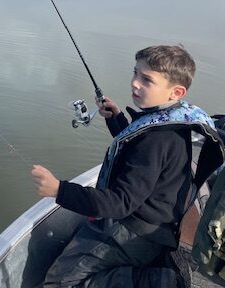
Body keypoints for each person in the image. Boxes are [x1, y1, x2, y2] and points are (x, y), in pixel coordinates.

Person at [31, 45, 224, 287]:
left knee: (59, 282)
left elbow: (120, 203)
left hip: (135, 229)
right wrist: (117, 119)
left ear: (176, 92)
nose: (135, 83)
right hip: (159, 227)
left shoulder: (157, 141)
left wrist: (59, 190)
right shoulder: (174, 121)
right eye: (135, 73)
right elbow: (139, 150)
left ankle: (158, 280)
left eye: (147, 80)